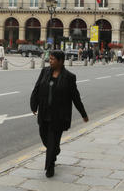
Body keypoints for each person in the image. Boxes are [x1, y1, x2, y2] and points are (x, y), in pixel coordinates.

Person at [30, 50, 88, 178]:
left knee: (52, 140)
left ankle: (50, 167)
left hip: (59, 116)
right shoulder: (44, 72)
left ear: (60, 61)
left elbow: (75, 98)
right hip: (44, 113)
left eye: (52, 59)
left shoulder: (69, 77)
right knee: (44, 136)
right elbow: (37, 88)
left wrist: (83, 114)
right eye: (49, 59)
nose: (50, 61)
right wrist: (33, 104)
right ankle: (55, 150)